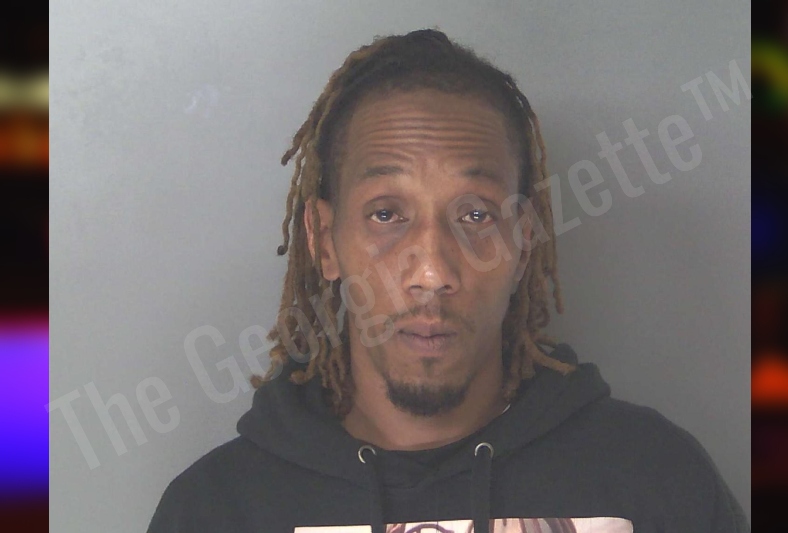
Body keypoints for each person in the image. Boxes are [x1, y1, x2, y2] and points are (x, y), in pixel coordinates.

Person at [146, 29, 749, 533]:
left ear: (523, 241)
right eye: (387, 215)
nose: (432, 273)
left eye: (476, 216)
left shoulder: (654, 479)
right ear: (323, 240)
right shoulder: (215, 510)